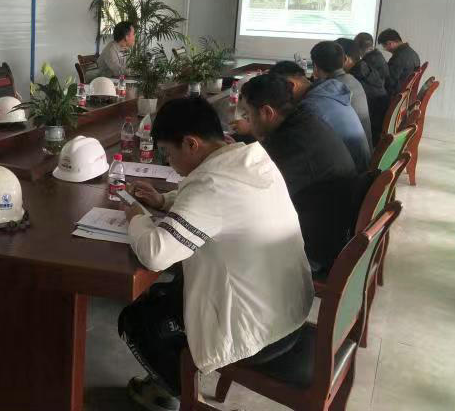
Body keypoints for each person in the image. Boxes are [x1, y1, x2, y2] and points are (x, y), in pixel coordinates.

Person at [117, 97, 313, 410]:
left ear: (191, 144)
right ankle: (170, 379)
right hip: (287, 305)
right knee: (170, 292)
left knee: (139, 319)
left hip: (256, 328)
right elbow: (216, 205)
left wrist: (136, 219)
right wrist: (164, 201)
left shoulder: (211, 185)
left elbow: (155, 254)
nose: (170, 163)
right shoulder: (249, 158)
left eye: (169, 153)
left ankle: (180, 393)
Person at [240, 74, 361, 269]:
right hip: (334, 227)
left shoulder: (292, 144)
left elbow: (251, 191)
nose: (247, 121)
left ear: (267, 112)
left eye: (247, 115)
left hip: (316, 250)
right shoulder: (305, 120)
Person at [271, 61, 371, 172]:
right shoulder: (327, 93)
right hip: (361, 168)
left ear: (291, 85)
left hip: (353, 175)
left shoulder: (309, 108)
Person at [311, 40, 372, 148]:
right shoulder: (352, 79)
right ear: (344, 60)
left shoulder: (330, 89)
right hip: (365, 147)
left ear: (315, 67)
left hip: (351, 152)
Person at [353, 32, 390, 144]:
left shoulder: (366, 62)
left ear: (358, 49)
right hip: (381, 100)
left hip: (374, 106)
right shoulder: (376, 55)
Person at [377, 28, 421, 96]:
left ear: (390, 43)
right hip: (406, 94)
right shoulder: (413, 53)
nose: (385, 49)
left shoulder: (398, 57)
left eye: (385, 47)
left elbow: (389, 82)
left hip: (396, 95)